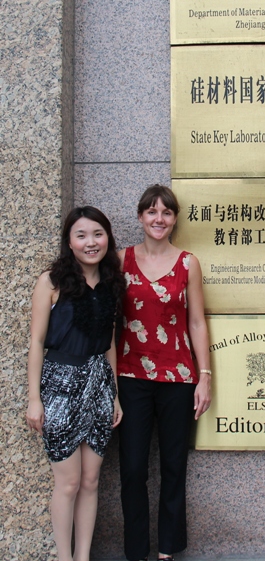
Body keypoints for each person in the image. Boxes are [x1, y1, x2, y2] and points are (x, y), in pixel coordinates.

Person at [117, 184, 211, 561]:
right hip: (130, 377)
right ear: (140, 216)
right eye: (152, 211)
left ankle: (167, 551)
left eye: (167, 212)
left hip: (178, 379)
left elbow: (197, 322)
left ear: (174, 220)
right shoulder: (120, 260)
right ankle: (136, 552)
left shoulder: (188, 263)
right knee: (132, 469)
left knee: (174, 466)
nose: (159, 219)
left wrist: (205, 376)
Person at [26, 206, 125, 561]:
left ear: (107, 237)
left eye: (97, 234)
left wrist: (114, 395)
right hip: (60, 385)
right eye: (81, 235)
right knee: (68, 482)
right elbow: (37, 341)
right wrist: (34, 399)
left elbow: (110, 342)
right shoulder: (51, 282)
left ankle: (83, 557)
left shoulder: (112, 282)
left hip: (99, 384)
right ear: (69, 241)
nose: (90, 242)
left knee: (90, 481)